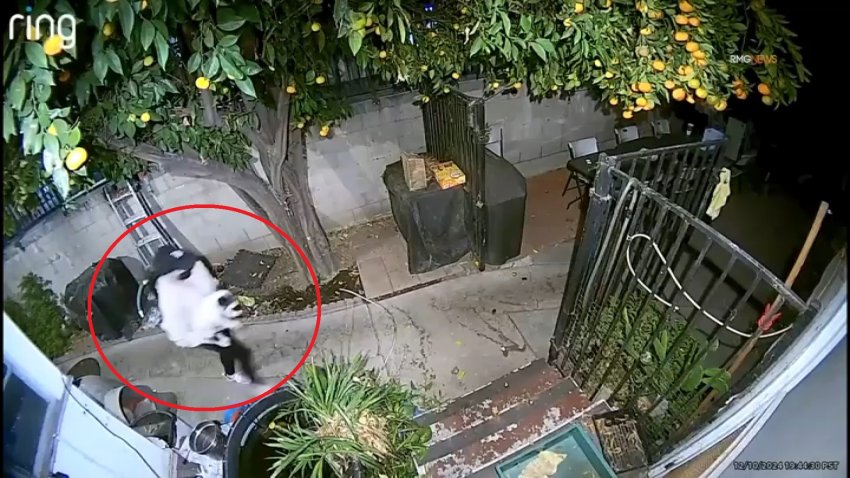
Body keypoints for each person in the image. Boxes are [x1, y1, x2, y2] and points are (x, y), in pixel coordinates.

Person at [150, 246, 259, 385]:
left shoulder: (194, 265)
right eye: (181, 268)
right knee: (232, 349)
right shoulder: (169, 297)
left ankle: (234, 367)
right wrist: (211, 338)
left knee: (232, 347)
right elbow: (178, 334)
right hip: (199, 330)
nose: (187, 269)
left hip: (214, 316)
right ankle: (233, 374)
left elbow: (211, 284)